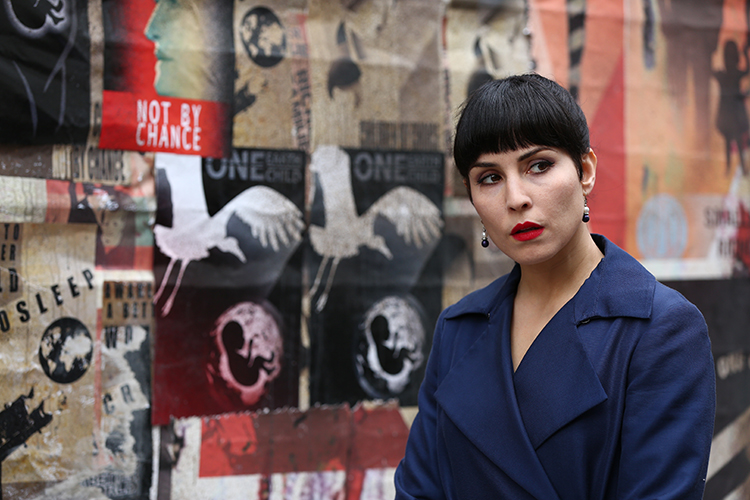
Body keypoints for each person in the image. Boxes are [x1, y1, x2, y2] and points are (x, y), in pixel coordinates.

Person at [394, 74, 716, 499]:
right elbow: (418, 489)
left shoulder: (661, 329)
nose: (516, 198)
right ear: (471, 197)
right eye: (489, 177)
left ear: (585, 171)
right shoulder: (459, 328)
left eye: (538, 166)